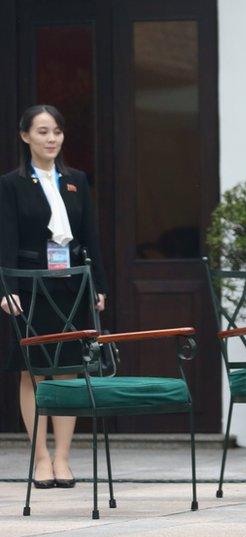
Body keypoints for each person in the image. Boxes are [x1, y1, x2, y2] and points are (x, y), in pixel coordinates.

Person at [0, 104, 107, 491]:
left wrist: (99, 286)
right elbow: (6, 239)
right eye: (43, 132)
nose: (51, 139)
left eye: (57, 132)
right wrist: (6, 289)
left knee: (68, 369)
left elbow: (90, 236)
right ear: (25, 136)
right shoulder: (11, 183)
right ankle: (40, 457)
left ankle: (62, 457)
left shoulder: (76, 179)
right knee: (33, 370)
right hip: (29, 285)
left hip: (71, 284)